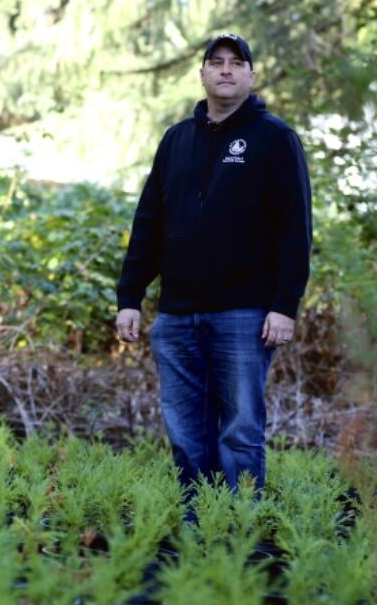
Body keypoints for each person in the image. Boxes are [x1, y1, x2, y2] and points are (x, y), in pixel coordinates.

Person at [115, 33, 312, 494]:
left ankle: (238, 531)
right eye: (216, 62)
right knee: (186, 435)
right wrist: (130, 296)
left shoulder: (275, 139)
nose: (226, 70)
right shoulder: (176, 140)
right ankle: (196, 524)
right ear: (202, 74)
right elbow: (148, 223)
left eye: (236, 62)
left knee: (240, 433)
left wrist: (285, 306)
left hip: (243, 316)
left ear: (251, 75)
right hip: (177, 316)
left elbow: (295, 229)